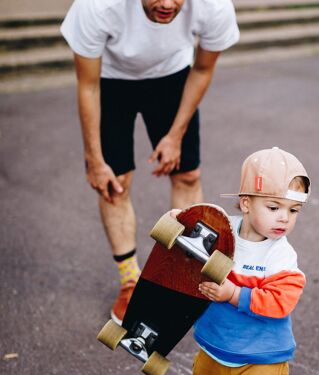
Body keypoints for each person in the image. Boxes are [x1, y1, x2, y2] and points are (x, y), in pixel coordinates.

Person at [60, 0, 240, 324]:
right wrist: (94, 158)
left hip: (172, 79)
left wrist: (174, 135)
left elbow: (202, 69)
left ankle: (184, 276)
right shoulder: (97, 7)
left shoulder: (213, 6)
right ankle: (131, 280)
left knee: (187, 176)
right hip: (111, 83)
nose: (168, 4)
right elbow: (87, 85)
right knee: (114, 185)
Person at [170, 147, 310, 375]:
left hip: (261, 361)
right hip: (213, 351)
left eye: (293, 210)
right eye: (274, 207)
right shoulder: (221, 228)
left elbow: (281, 301)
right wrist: (179, 220)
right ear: (246, 203)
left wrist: (233, 294)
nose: (284, 219)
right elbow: (190, 232)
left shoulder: (281, 256)